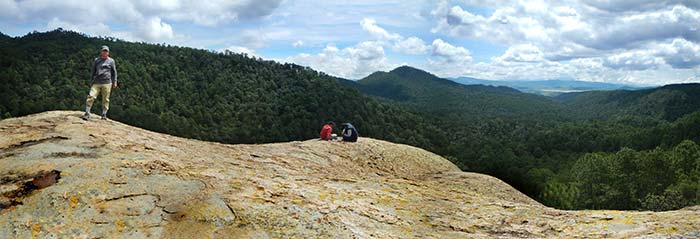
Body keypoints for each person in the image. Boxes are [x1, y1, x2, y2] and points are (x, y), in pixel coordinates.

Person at [82, 45, 118, 121]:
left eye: (106, 51)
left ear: (108, 52)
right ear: (101, 52)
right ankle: (87, 113)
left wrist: (114, 82)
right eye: (104, 51)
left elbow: (114, 72)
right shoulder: (97, 60)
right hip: (96, 81)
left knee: (106, 99)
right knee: (91, 96)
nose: (105, 52)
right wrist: (91, 80)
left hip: (107, 82)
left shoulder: (111, 61)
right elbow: (93, 71)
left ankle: (104, 114)